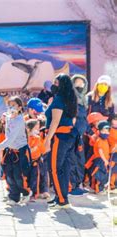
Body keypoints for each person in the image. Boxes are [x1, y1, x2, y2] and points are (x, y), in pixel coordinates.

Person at [44, 73, 78, 208]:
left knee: (53, 168)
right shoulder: (70, 99)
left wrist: (48, 139)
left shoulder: (59, 99)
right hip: (69, 137)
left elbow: (55, 122)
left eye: (56, 83)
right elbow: (73, 120)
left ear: (61, 84)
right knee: (63, 168)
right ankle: (60, 197)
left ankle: (62, 200)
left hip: (59, 137)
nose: (54, 85)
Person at [0, 96, 31, 205]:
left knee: (18, 175)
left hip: (21, 151)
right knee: (9, 175)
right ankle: (14, 197)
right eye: (9, 105)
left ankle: (26, 192)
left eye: (13, 105)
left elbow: (10, 138)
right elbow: (7, 135)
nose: (11, 108)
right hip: (10, 150)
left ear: (19, 107)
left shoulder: (20, 120)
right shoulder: (9, 118)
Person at [69, 74, 89, 195]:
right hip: (72, 134)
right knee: (73, 159)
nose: (79, 85)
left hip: (80, 134)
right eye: (77, 82)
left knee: (80, 160)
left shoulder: (84, 100)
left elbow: (84, 119)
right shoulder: (70, 98)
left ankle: (79, 184)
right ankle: (73, 185)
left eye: (82, 83)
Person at [26, 119, 49, 200]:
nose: (38, 129)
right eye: (36, 127)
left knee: (39, 176)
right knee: (29, 177)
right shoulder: (25, 138)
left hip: (37, 160)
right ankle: (30, 192)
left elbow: (42, 150)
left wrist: (41, 156)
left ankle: (38, 192)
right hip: (28, 161)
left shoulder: (38, 138)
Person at [88, 121, 111, 193]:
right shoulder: (100, 140)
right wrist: (105, 160)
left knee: (102, 174)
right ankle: (97, 189)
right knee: (99, 175)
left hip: (104, 160)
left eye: (107, 131)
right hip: (100, 160)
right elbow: (100, 151)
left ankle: (99, 188)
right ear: (100, 131)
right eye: (104, 131)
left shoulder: (105, 140)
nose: (106, 133)